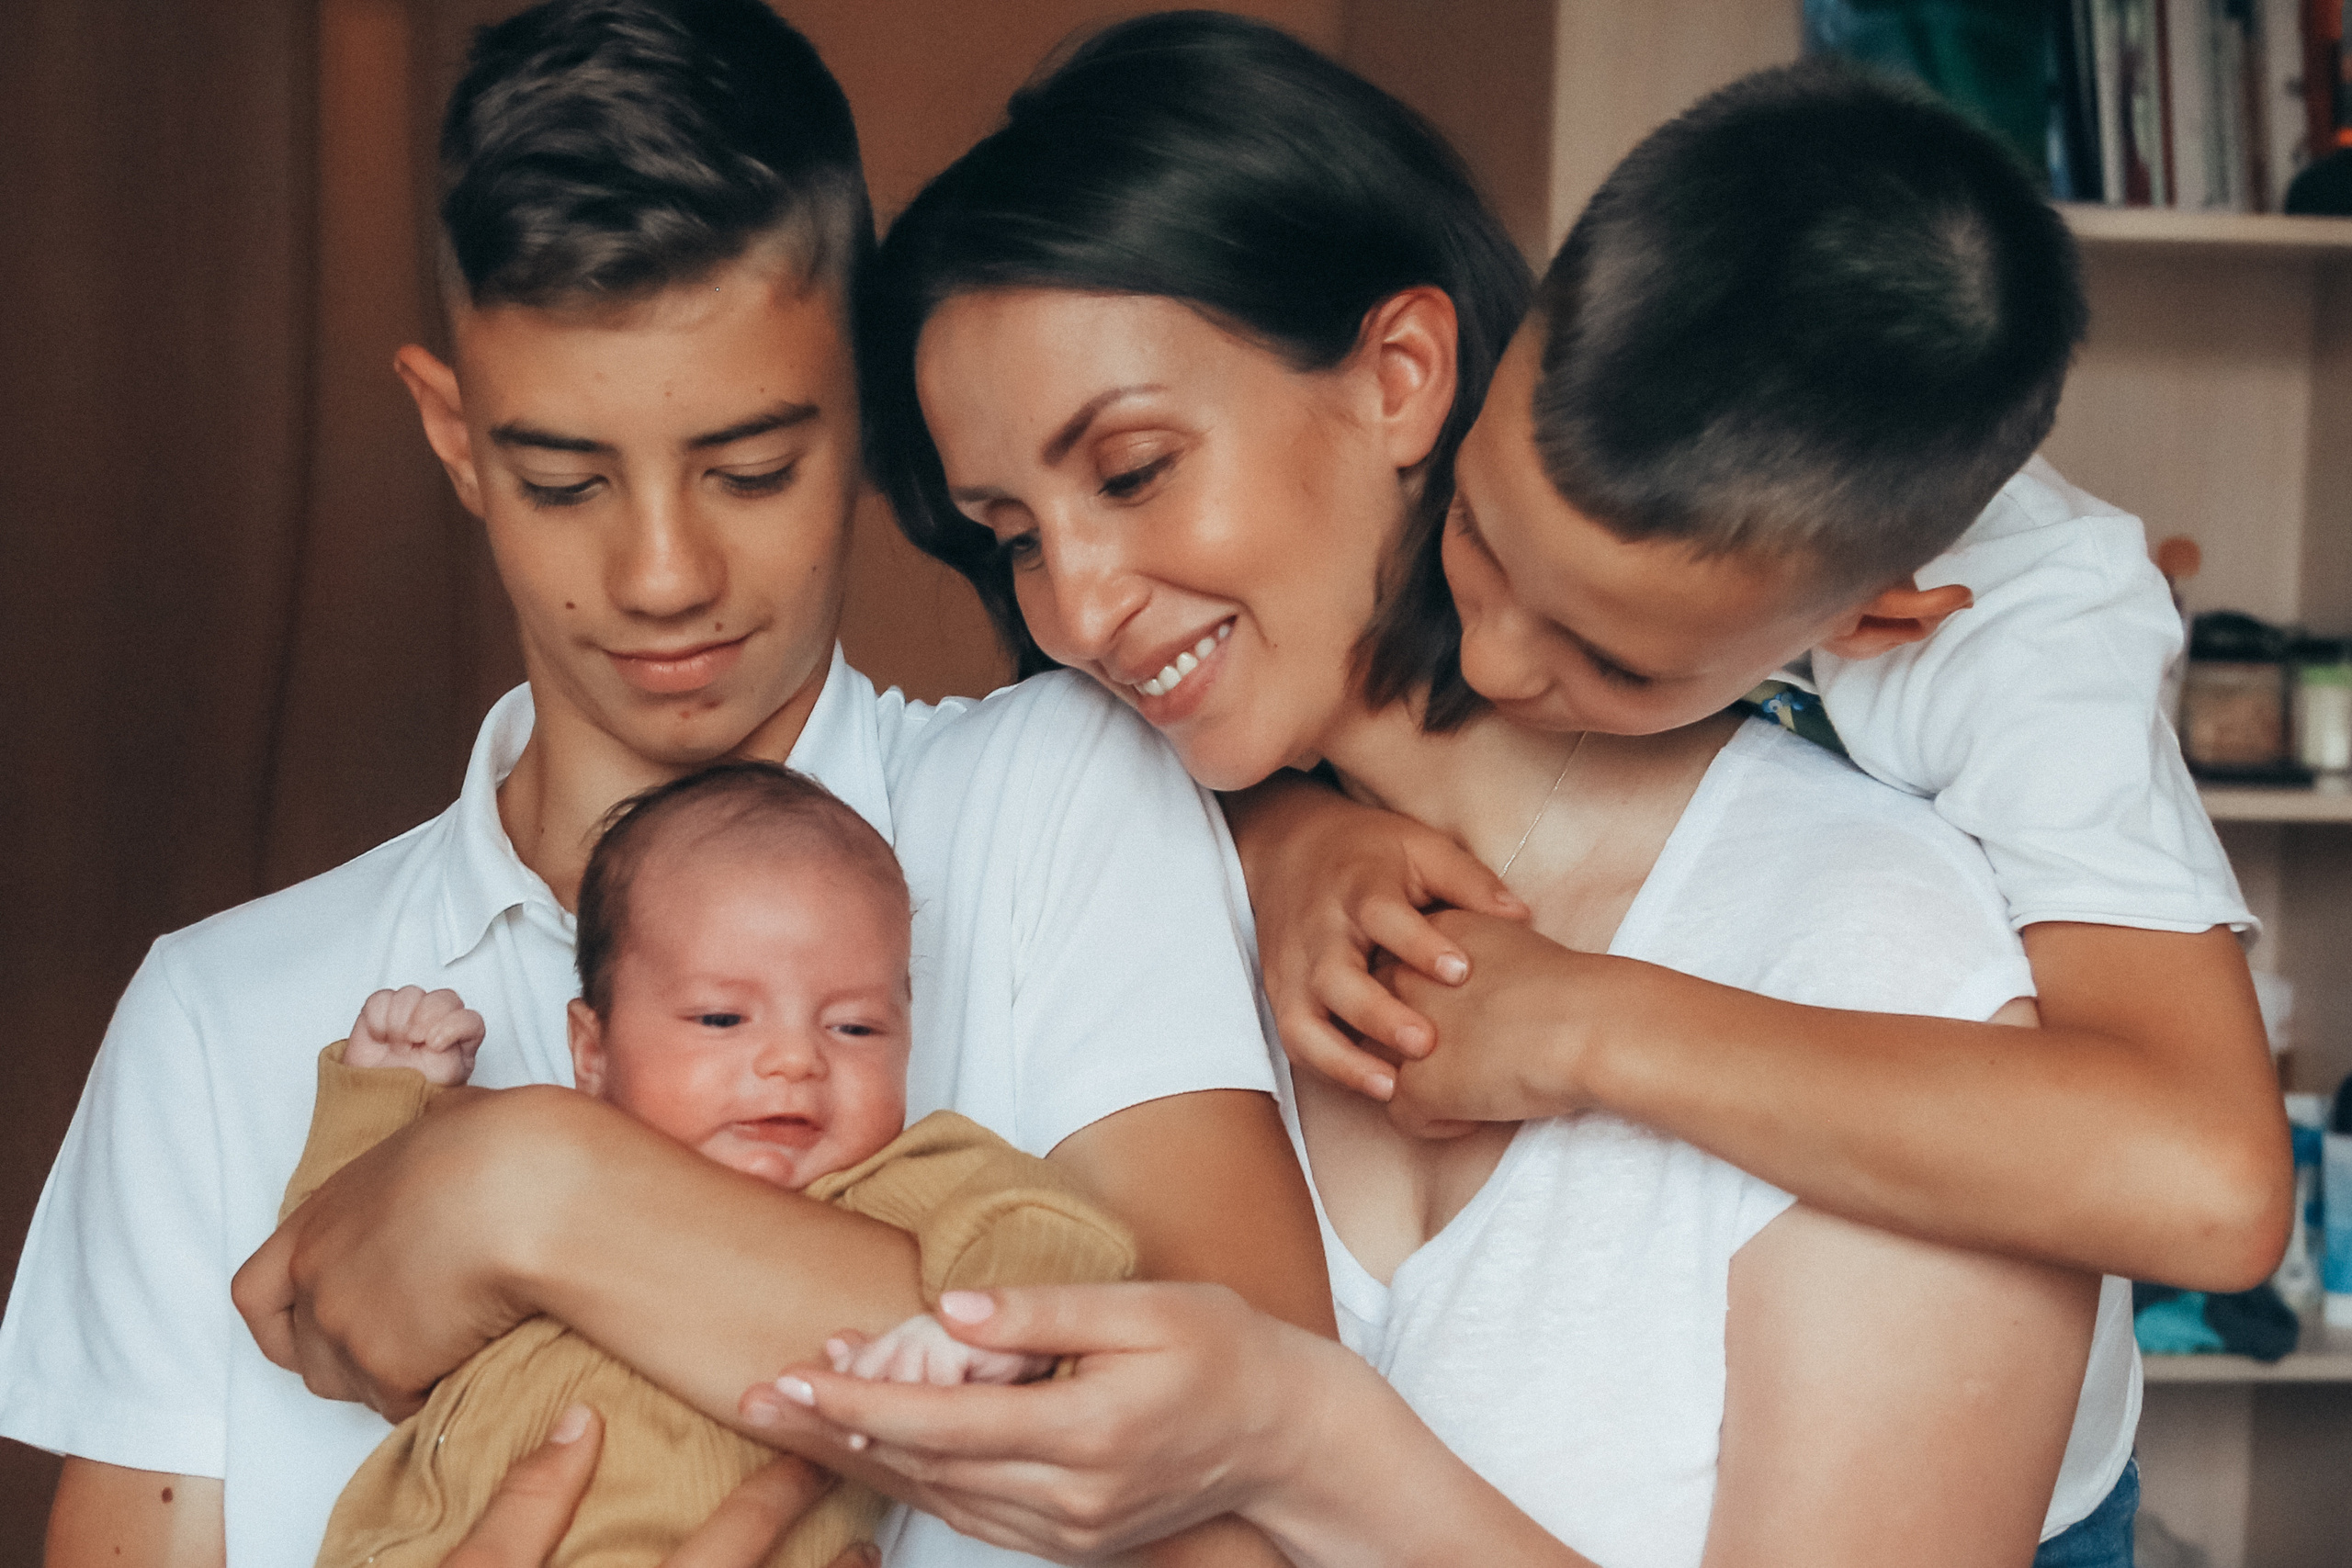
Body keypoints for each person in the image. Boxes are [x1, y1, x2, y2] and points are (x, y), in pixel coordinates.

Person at [753, 14, 2105, 1565]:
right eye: (1010, 531)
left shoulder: (1871, 951)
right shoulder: (1113, 892)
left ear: (1401, 376)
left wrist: (1306, 1434)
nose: (1077, 604)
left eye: (1129, 471)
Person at [0, 6, 1324, 1566]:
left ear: (862, 407)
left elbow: (1261, 1491)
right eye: (566, 480)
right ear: (454, 434)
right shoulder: (214, 1026)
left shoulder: (1052, 804)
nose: (662, 574)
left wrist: (536, 1187)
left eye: (750, 469)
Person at [1229, 57, 2291, 1310]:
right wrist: (1288, 833)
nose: (1490, 658)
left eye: (1615, 660)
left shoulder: (2031, 638)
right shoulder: (1536, 382)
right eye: (1477, 528)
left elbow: (2212, 1189)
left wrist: (1585, 1027)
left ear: (1876, 613)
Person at [296, 762, 1136, 1568]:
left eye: (855, 1028)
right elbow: (335, 1277)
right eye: (723, 1016)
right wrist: (384, 1097)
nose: (793, 1061)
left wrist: (975, 1337)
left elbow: (1052, 1229)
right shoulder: (515, 1185)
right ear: (591, 1048)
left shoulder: (891, 1182)